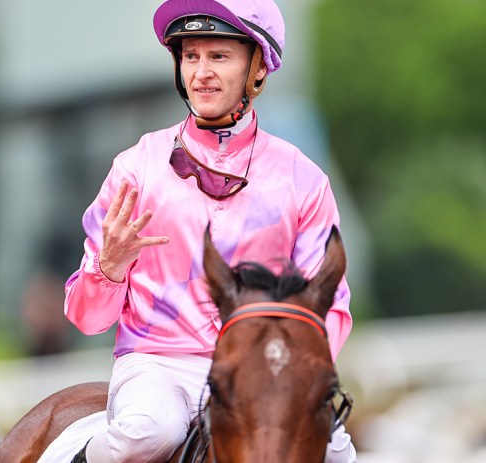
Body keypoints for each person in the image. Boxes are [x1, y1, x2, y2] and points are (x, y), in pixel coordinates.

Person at [63, 0, 356, 461]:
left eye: (218, 56)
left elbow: (331, 305)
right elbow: (86, 318)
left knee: (341, 455)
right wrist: (108, 269)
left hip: (265, 368)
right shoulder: (135, 168)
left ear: (258, 68)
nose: (200, 72)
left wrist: (288, 371)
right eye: (190, 56)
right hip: (159, 364)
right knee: (148, 434)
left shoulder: (305, 181)